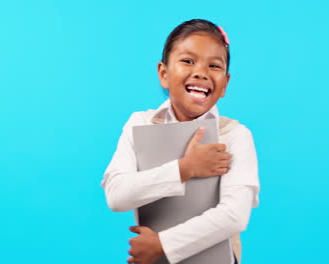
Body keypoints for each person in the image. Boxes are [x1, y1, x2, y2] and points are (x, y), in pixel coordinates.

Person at [102, 19, 260, 264]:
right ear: (164, 74)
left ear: (225, 84)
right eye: (188, 61)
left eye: (214, 65)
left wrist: (163, 245)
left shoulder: (235, 135)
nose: (201, 72)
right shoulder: (141, 123)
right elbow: (117, 195)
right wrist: (186, 169)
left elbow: (234, 215)